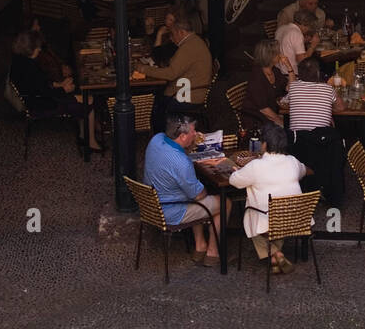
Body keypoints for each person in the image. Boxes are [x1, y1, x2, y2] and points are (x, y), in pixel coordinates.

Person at [143, 110, 221, 265]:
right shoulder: (181, 162)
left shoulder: (156, 139)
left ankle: (200, 245)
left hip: (151, 205)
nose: (196, 133)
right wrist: (205, 188)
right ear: (183, 136)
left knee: (189, 191)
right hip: (170, 212)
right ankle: (213, 252)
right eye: (193, 131)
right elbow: (199, 196)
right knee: (223, 202)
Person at [228, 123, 307, 274]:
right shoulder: (292, 161)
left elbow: (234, 181)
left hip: (270, 221)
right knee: (275, 209)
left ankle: (275, 254)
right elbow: (302, 171)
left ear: (264, 144)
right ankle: (275, 258)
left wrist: (239, 171)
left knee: (253, 215)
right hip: (297, 220)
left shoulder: (256, 166)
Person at [9, 29, 100, 150]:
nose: (40, 49)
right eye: (38, 47)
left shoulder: (20, 60)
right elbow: (45, 92)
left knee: (82, 97)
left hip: (35, 99)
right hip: (41, 104)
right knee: (87, 101)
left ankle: (85, 136)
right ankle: (91, 142)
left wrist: (59, 84)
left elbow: (39, 84)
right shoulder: (30, 68)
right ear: (31, 48)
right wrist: (64, 90)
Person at [287, 57, 345, 207]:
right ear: (319, 73)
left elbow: (283, 103)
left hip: (298, 145)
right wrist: (327, 110)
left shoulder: (293, 87)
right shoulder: (328, 89)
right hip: (323, 144)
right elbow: (341, 108)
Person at [140, 12, 212, 106]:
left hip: (187, 97)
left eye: (173, 34)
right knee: (157, 96)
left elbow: (170, 74)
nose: (171, 38)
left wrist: (142, 69)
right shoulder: (194, 41)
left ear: (181, 32)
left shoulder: (188, 47)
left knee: (152, 101)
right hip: (189, 91)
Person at [241, 39, 290, 134]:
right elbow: (263, 109)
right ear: (270, 56)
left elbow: (290, 88)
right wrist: (282, 123)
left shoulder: (274, 71)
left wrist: (289, 67)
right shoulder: (257, 77)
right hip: (257, 120)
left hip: (271, 115)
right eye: (277, 53)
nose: (280, 55)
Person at [275, 7, 320, 76]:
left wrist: (304, 41)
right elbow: (302, 61)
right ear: (304, 24)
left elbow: (288, 45)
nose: (309, 30)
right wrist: (312, 46)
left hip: (278, 72)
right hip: (290, 74)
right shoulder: (297, 33)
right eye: (310, 27)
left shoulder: (281, 28)